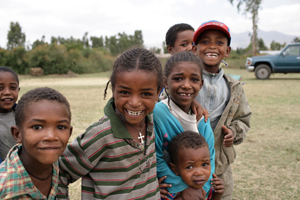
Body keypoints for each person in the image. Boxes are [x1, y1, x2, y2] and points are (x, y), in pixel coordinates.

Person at [57, 48, 163, 199]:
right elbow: (60, 171)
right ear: (113, 89)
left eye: (145, 94)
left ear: (158, 92)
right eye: (125, 92)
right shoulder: (101, 135)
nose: (134, 103)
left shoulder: (151, 121)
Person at [192, 20, 252, 199]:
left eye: (219, 42)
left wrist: (234, 132)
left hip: (220, 168)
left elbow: (243, 119)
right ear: (195, 49)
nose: (212, 46)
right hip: (185, 166)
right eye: (205, 41)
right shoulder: (183, 82)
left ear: (227, 51)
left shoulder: (234, 87)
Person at [154, 51, 215, 200]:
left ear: (200, 84)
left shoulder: (203, 120)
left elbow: (210, 160)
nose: (186, 85)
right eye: (178, 78)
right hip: (168, 193)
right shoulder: (157, 114)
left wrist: (201, 191)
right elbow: (155, 157)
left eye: (194, 79)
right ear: (165, 82)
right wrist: (181, 189)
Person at [0, 87, 73, 199]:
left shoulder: (62, 167)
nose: (51, 136)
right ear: (17, 134)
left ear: (70, 132)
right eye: (37, 127)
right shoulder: (5, 186)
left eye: (61, 127)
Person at [166, 131, 224, 200]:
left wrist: (217, 195)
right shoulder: (167, 192)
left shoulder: (208, 187)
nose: (199, 173)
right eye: (189, 167)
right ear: (175, 169)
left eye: (204, 164)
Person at [0, 66, 20, 162]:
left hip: (24, 171)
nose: (7, 92)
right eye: (0, 88)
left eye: (12, 87)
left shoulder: (24, 115)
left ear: (18, 90)